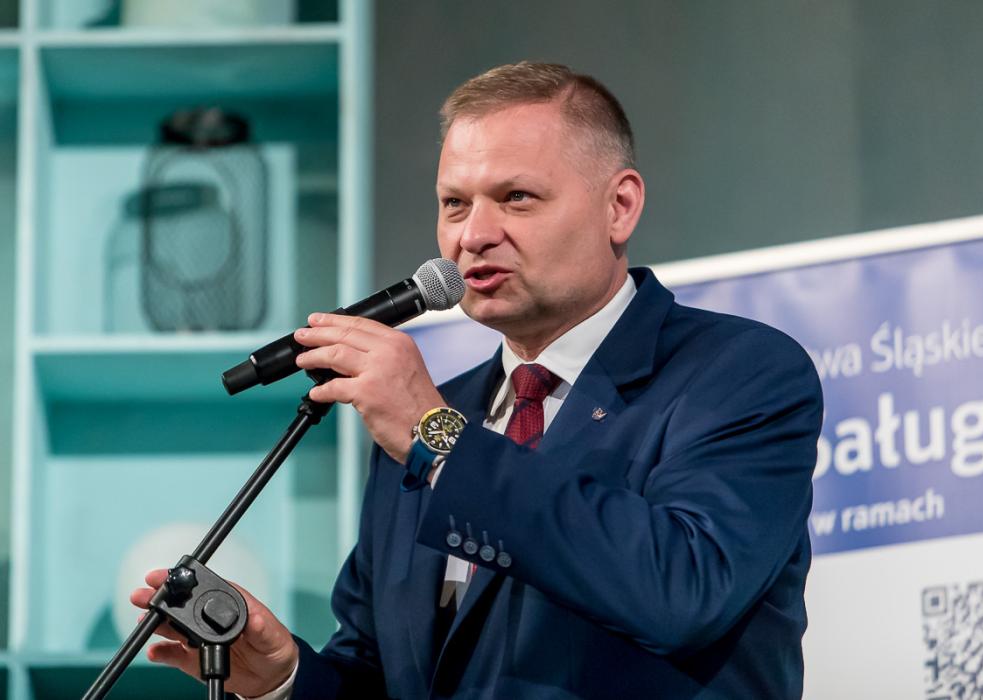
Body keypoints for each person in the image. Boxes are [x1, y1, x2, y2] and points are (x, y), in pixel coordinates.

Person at [132, 61, 823, 699]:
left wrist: (436, 437)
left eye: (516, 197)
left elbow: (685, 591)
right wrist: (283, 677)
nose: (474, 235)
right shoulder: (439, 410)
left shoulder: (741, 372)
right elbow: (381, 672)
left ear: (619, 206)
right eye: (454, 204)